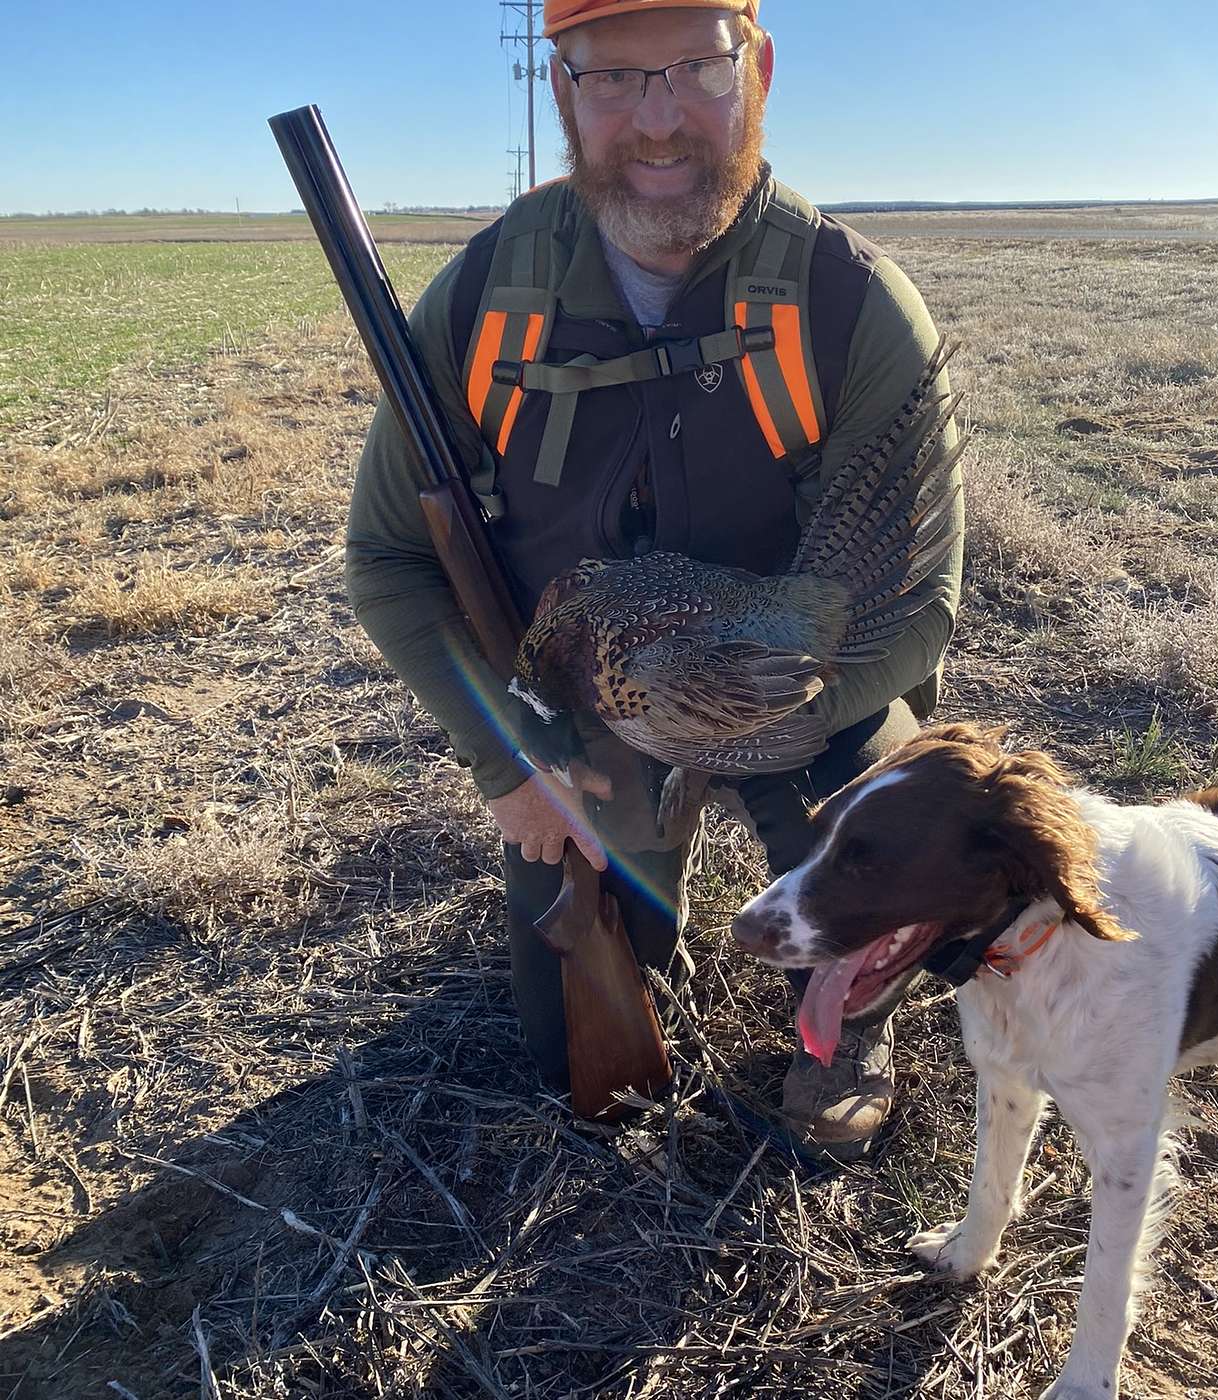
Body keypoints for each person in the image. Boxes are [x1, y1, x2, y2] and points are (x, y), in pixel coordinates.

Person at [345, 0, 964, 1162]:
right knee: (558, 1051)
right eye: (615, 78)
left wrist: (750, 720)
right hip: (587, 712)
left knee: (889, 829)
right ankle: (634, 935)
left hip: (799, 692)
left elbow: (921, 606)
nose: (660, 119)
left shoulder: (848, 303)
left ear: (759, 72)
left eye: (695, 69)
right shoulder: (486, 295)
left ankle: (847, 1024)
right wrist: (513, 761)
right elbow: (385, 556)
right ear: (560, 89)